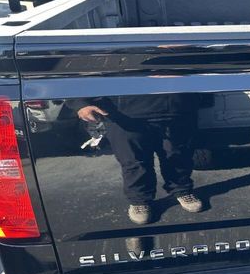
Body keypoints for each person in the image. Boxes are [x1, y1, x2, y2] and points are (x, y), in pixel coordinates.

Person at [76, 94, 202, 225]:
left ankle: (182, 190)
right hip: (122, 112)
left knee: (179, 155)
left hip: (176, 107)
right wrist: (80, 103)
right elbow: (78, 75)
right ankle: (140, 201)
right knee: (133, 161)